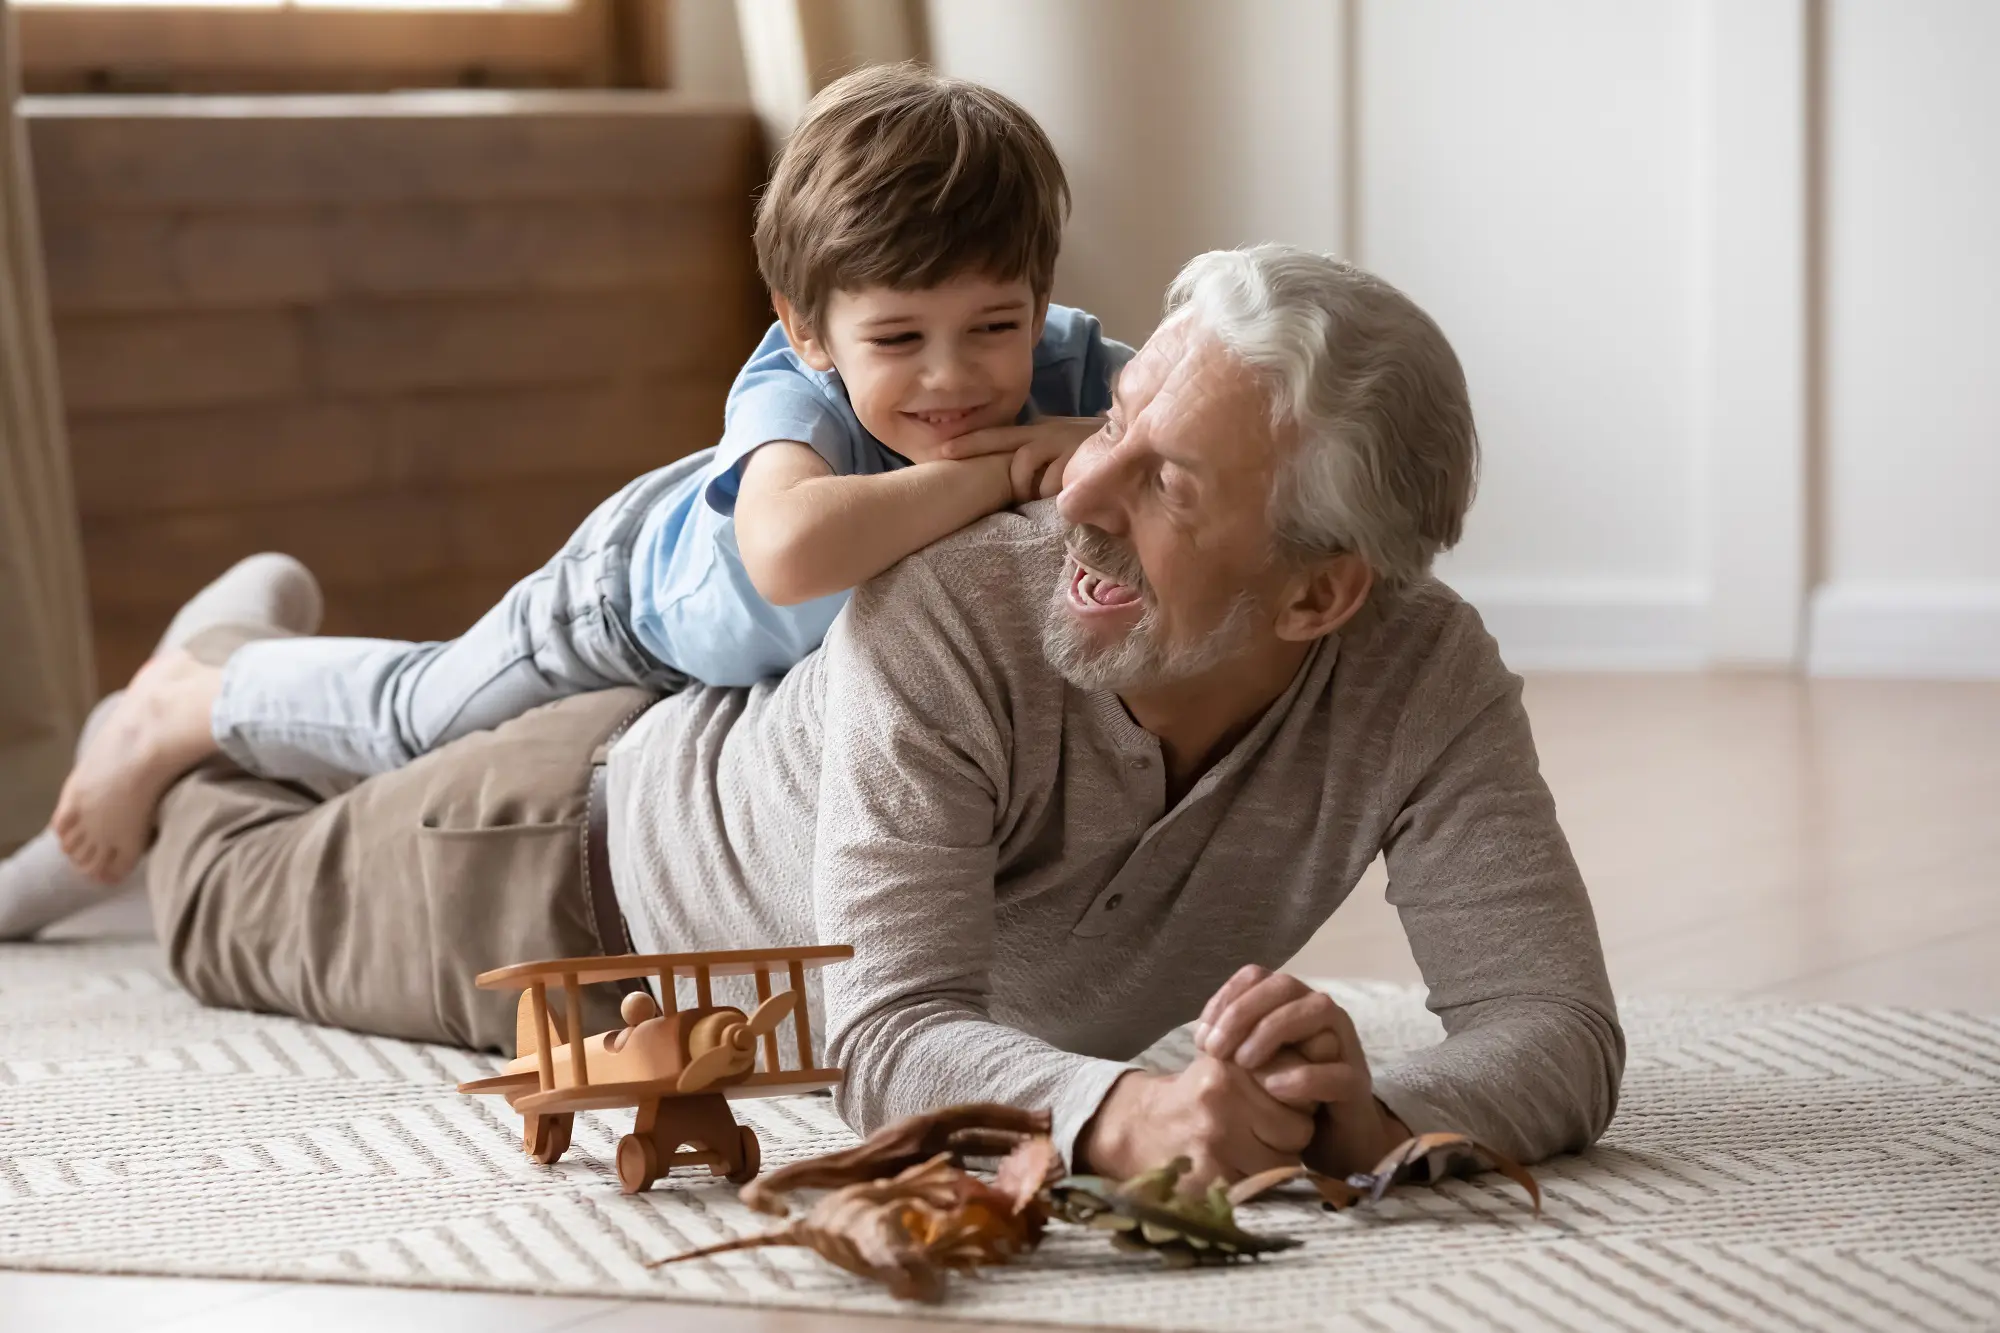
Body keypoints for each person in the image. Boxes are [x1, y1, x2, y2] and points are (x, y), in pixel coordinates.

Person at [28, 245, 1625, 1184]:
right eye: (1116, 421)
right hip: (563, 865)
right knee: (214, 895)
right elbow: (888, 1032)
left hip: (719, 815)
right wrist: (1129, 1115)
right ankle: (198, 681)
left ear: (1322, 596)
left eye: (1169, 483)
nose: (1080, 484)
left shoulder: (1426, 678)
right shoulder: (953, 610)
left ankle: (229, 677)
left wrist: (1367, 1116)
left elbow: (1557, 1027)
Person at [43, 61, 1129, 887]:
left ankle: (220, 666)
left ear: (1039, 300)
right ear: (807, 328)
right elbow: (789, 554)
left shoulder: (1065, 362)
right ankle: (184, 699)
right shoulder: (792, 389)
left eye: (995, 326)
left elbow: (1194, 430)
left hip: (732, 668)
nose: (953, 376)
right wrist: (1004, 472)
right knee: (419, 720)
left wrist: (1093, 431)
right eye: (897, 339)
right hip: (619, 604)